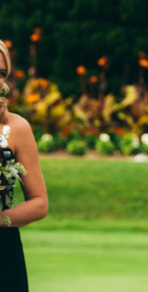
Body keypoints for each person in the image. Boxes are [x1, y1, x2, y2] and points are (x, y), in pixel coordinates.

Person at [0, 40, 49, 292]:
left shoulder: (17, 128)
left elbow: (39, 203)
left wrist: (2, 220)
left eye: (1, 73)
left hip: (3, 252)